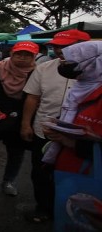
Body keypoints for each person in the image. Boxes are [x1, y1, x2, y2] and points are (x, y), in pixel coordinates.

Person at [20, 30, 91, 223]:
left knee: (74, 173)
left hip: (80, 137)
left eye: (65, 46)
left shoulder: (95, 71)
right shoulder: (44, 69)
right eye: (57, 46)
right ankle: (43, 208)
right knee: (40, 172)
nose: (59, 50)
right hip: (44, 130)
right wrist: (26, 124)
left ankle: (74, 213)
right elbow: (32, 97)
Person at [42, 41, 102, 231]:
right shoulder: (81, 87)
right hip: (68, 168)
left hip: (92, 175)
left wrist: (68, 141)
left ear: (95, 63)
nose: (64, 66)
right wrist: (58, 129)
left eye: (71, 62)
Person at [0, 41, 38, 197]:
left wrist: (21, 117)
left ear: (34, 57)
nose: (22, 58)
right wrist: (1, 112)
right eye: (19, 54)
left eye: (27, 55)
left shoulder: (37, 72)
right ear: (11, 54)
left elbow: (33, 96)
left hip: (22, 118)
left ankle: (9, 181)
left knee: (17, 153)